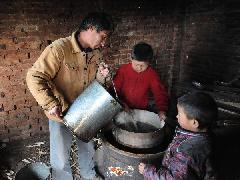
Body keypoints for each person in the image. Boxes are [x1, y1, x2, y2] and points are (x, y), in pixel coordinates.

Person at [26, 12, 114, 180]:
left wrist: (104, 77)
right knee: (60, 154)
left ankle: (89, 175)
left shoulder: (96, 54)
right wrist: (50, 103)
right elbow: (34, 76)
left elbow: (98, 84)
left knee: (87, 147)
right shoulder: (59, 49)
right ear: (91, 29)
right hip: (62, 112)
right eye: (103, 37)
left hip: (88, 112)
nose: (104, 43)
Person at [138, 91, 217, 179]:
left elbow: (173, 178)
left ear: (194, 123)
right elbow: (182, 126)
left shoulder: (187, 152)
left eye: (179, 114)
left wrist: (148, 171)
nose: (176, 116)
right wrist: (166, 119)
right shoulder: (204, 133)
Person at [112, 42, 168, 120]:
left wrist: (162, 110)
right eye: (136, 64)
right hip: (122, 108)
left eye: (142, 66)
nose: (139, 68)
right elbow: (114, 90)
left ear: (149, 62)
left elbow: (160, 93)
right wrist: (121, 103)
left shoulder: (152, 74)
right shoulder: (123, 71)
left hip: (141, 110)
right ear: (131, 59)